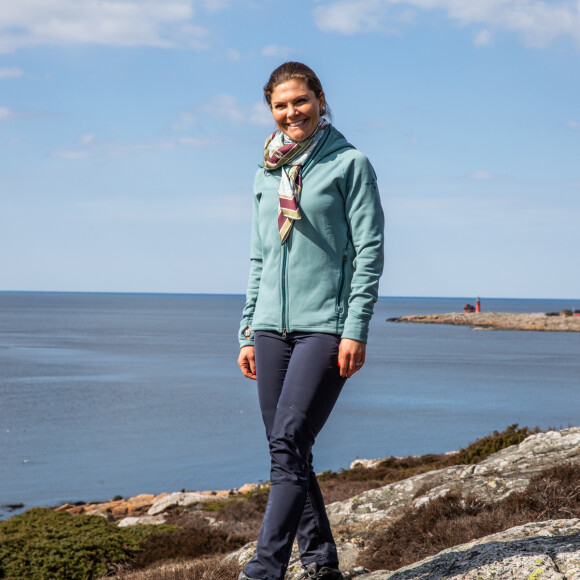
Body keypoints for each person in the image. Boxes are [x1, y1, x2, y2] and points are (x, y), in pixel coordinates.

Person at [237, 62, 384, 580]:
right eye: (280, 105)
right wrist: (247, 332)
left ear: (319, 98)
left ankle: (265, 570)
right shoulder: (266, 171)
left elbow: (368, 252)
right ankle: (321, 563)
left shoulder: (350, 163)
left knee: (288, 441)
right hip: (270, 329)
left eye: (300, 100)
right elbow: (259, 258)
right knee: (288, 449)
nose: (291, 112)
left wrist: (355, 327)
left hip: (326, 325)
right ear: (270, 111)